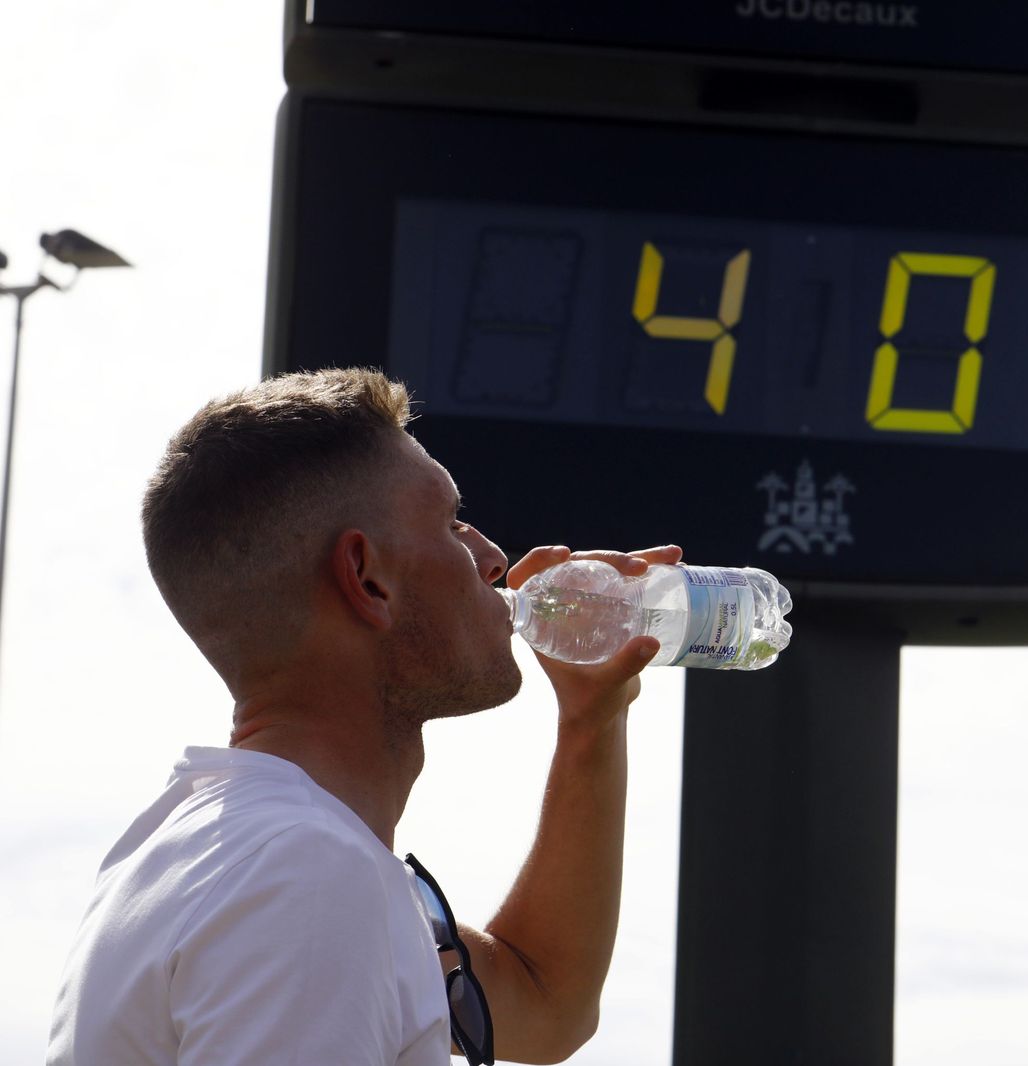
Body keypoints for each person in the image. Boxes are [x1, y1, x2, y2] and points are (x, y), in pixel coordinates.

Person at [46, 367, 677, 1065]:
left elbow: (546, 1001)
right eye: (450, 523)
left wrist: (592, 722)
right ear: (368, 578)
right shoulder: (308, 876)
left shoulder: (201, 849)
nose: (494, 558)